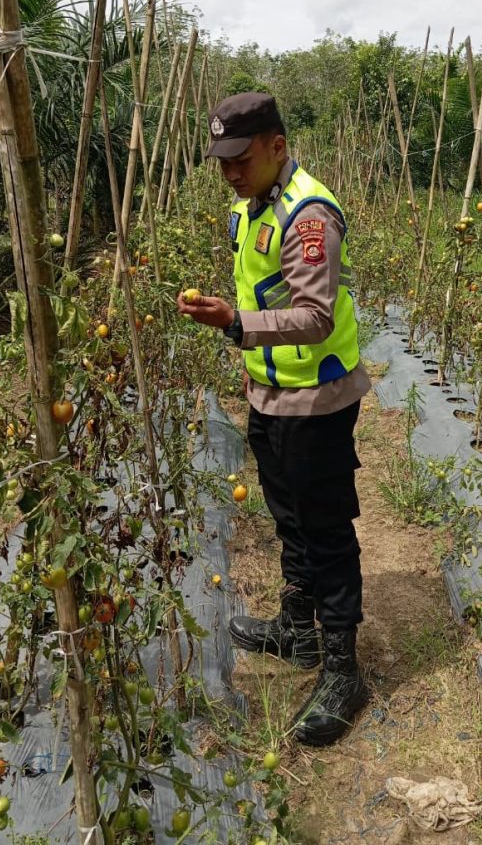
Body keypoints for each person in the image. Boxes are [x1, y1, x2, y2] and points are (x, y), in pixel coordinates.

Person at [177, 90, 371, 747]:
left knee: (325, 528)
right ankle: (296, 627)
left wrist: (235, 324)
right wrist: (250, 358)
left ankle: (343, 669)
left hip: (316, 400)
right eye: (222, 161)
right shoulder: (249, 207)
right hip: (270, 392)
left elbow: (314, 317)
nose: (230, 171)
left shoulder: (308, 214)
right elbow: (262, 289)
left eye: (241, 158)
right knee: (288, 514)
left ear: (277, 147)